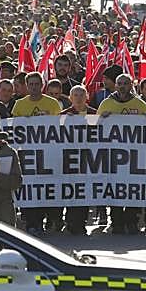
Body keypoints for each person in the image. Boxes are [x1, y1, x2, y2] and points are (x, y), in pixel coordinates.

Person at [98, 73, 146, 234]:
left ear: (131, 85)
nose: (122, 86)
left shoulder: (140, 104)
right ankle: (117, 222)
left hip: (134, 156)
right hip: (113, 156)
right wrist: (102, 118)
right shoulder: (106, 103)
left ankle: (132, 221)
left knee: (132, 189)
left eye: (125, 83)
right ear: (115, 85)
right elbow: (96, 128)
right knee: (115, 189)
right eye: (119, 83)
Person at [12, 72, 62, 235]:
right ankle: (33, 222)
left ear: (42, 85)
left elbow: (59, 128)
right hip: (28, 155)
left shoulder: (53, 103)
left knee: (47, 187)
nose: (34, 87)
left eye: (36, 84)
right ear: (27, 86)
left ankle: (51, 219)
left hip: (49, 154)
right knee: (32, 188)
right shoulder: (19, 105)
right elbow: (14, 129)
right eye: (31, 84)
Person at [60, 85, 97, 235]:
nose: (79, 97)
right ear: (70, 98)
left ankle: (81, 222)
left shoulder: (95, 115)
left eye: (82, 94)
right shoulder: (63, 116)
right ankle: (70, 221)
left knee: (85, 192)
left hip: (90, 160)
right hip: (70, 159)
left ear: (87, 97)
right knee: (71, 191)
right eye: (75, 95)